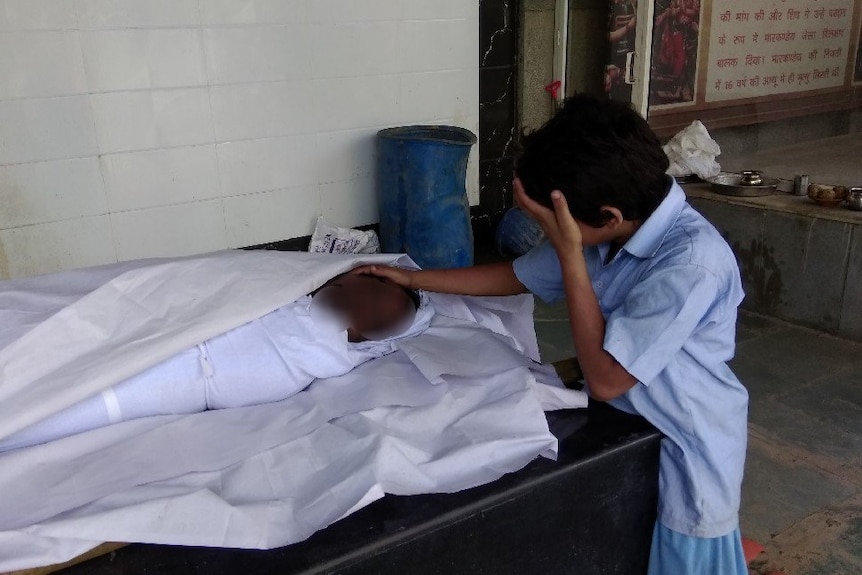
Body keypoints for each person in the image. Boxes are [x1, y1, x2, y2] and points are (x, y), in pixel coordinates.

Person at [355, 95, 749, 574]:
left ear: (607, 217)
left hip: (687, 447)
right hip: (627, 426)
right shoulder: (615, 223)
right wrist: (414, 279)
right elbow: (516, 276)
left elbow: (606, 378)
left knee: (681, 560)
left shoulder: (690, 265)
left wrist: (568, 254)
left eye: (556, 224)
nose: (551, 233)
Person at [0, 272, 433, 453]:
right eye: (376, 296)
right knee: (50, 359)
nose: (372, 312)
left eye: (384, 322)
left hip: (183, 382)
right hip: (175, 336)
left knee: (72, 409)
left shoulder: (341, 354)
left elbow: (405, 323)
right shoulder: (290, 290)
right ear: (354, 277)